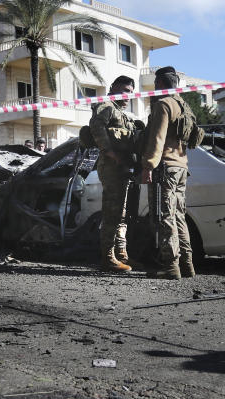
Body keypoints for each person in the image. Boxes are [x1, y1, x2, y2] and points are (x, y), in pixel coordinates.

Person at [140, 66, 204, 279]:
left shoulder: (164, 104)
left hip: (165, 166)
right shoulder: (185, 106)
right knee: (178, 216)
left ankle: (170, 266)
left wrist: (148, 166)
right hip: (181, 166)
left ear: (159, 84)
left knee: (165, 216)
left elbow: (157, 139)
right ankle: (187, 264)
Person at [89, 75, 138, 272]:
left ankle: (121, 254)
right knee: (112, 212)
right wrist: (108, 150)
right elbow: (96, 125)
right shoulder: (107, 105)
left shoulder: (120, 112)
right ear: (114, 88)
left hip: (122, 166)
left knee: (121, 213)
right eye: (125, 90)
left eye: (131, 92)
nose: (128, 96)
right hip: (110, 166)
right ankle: (107, 257)